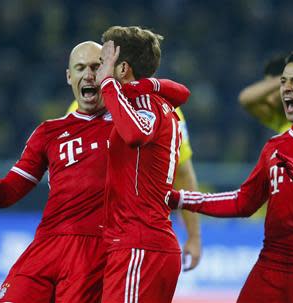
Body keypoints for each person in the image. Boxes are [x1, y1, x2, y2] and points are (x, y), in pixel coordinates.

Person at [0, 41, 190, 303]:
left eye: (95, 67)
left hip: (95, 252)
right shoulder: (48, 132)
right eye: (79, 68)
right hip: (45, 246)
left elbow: (178, 94)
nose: (88, 75)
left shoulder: (129, 124)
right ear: (69, 76)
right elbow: (6, 194)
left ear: (108, 72)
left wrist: (138, 85)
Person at [168, 50, 293, 302]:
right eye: (283, 82)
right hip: (270, 265)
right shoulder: (274, 145)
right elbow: (243, 201)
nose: (285, 89)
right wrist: (180, 199)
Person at [95, 26, 186, 302]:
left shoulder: (144, 103)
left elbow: (136, 135)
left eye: (103, 63)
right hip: (144, 245)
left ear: (122, 68)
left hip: (140, 245)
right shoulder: (146, 100)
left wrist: (108, 84)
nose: (98, 71)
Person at [67, 89, 201, 272]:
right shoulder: (80, 109)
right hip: (99, 238)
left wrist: (194, 237)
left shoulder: (168, 109)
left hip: (141, 240)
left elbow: (183, 173)